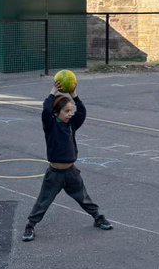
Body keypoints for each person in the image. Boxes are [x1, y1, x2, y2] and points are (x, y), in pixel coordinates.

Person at [21, 83, 112, 242]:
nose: (70, 114)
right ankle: (30, 225)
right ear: (56, 113)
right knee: (44, 201)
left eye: (71, 111)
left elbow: (82, 112)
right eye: (66, 111)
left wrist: (74, 95)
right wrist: (52, 94)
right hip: (55, 174)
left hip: (71, 172)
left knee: (83, 197)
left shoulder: (71, 125)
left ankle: (98, 217)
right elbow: (46, 110)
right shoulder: (50, 125)